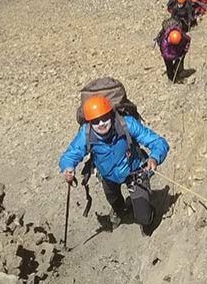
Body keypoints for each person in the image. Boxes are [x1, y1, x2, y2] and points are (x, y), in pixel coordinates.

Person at [59, 96, 169, 234]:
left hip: (134, 171)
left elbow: (159, 142)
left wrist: (154, 158)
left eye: (104, 118)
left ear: (111, 114)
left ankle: (146, 214)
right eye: (95, 121)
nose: (101, 124)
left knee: (145, 218)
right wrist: (68, 167)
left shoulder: (127, 124)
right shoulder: (86, 134)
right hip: (108, 175)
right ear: (89, 122)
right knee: (114, 200)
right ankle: (120, 209)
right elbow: (71, 154)